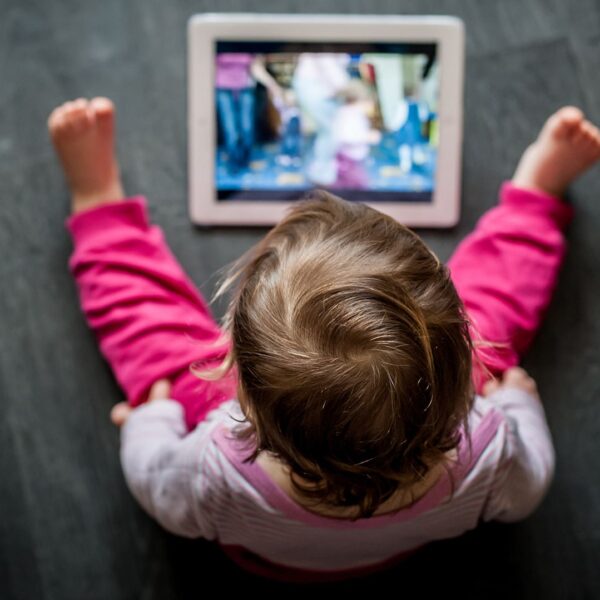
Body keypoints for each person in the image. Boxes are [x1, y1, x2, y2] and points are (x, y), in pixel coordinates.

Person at [48, 97, 600, 582]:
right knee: (498, 308)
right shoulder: (490, 452)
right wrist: (515, 400)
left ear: (237, 385)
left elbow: (154, 483)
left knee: (155, 343)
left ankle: (98, 200)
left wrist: (153, 421)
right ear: (464, 361)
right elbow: (530, 488)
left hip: (273, 559)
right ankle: (536, 198)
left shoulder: (211, 471)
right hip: (400, 548)